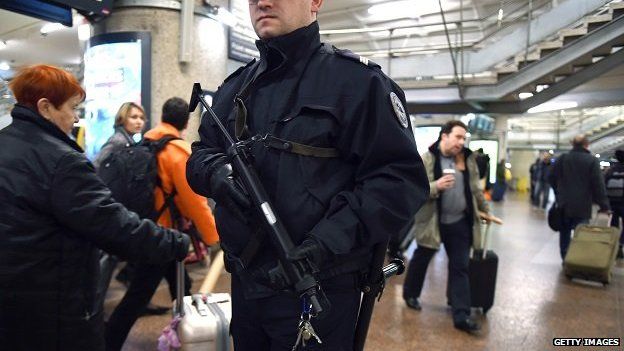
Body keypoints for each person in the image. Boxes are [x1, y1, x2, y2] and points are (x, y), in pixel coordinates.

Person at [186, 0, 429, 349]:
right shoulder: (236, 87)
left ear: (315, 2)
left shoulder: (358, 84)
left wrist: (323, 244)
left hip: (320, 290)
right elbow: (200, 154)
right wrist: (215, 173)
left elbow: (398, 181)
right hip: (247, 286)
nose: (262, 3)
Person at [0, 64, 190, 351]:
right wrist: (173, 241)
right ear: (45, 107)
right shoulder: (61, 160)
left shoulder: (6, 143)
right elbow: (111, 223)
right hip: (53, 303)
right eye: (72, 108)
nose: (76, 118)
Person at [105, 97, 219, 351]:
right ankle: (107, 342)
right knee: (138, 295)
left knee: (183, 288)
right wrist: (213, 237)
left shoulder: (148, 140)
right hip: (163, 235)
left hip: (150, 228)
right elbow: (194, 202)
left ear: (162, 117)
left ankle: (190, 336)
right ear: (187, 122)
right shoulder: (177, 150)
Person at [402, 120, 489, 333]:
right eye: (458, 136)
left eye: (463, 138)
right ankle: (410, 294)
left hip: (459, 222)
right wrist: (436, 186)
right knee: (422, 258)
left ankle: (461, 316)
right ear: (444, 136)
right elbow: (415, 189)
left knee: (460, 267)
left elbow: (476, 188)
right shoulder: (428, 158)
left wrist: (484, 208)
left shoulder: (467, 159)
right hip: (433, 221)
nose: (462, 141)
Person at [549, 135, 610, 260]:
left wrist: (558, 192)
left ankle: (565, 258)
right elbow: (598, 185)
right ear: (586, 145)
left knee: (564, 232)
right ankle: (577, 259)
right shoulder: (591, 161)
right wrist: (604, 205)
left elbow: (551, 177)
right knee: (581, 233)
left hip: (564, 204)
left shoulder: (563, 159)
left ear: (572, 144)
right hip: (582, 205)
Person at [93, 102, 146, 168]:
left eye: (142, 118)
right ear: (122, 119)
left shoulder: (128, 140)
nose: (139, 122)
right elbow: (97, 164)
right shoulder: (118, 141)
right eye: (134, 117)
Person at [604, 149, 624, 259]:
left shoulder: (611, 171)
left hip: (612, 202)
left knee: (614, 225)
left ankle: (613, 244)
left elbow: (604, 185)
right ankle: (620, 244)